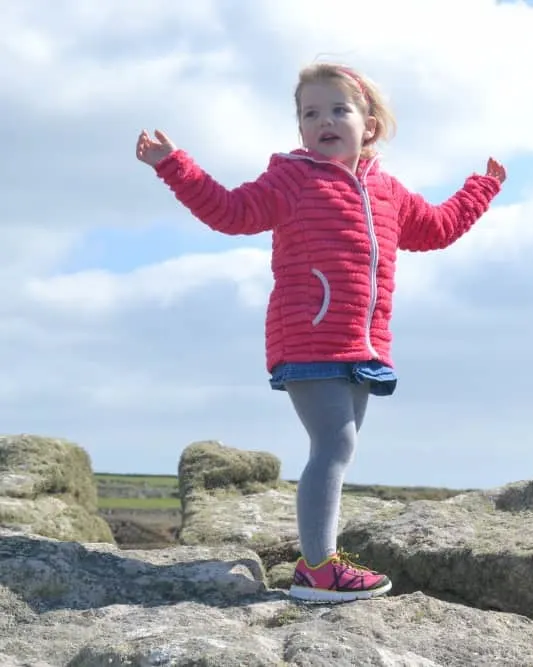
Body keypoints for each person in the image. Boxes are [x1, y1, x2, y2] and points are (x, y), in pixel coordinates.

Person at [135, 62, 506, 604]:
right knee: (335, 442)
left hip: (363, 345)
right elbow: (231, 212)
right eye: (310, 113)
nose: (323, 120)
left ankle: (321, 561)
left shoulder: (388, 191)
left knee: (338, 446)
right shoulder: (292, 178)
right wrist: (174, 166)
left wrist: (483, 187)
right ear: (300, 128)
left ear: (370, 124)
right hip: (308, 338)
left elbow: (437, 228)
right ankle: (317, 569)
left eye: (338, 109)